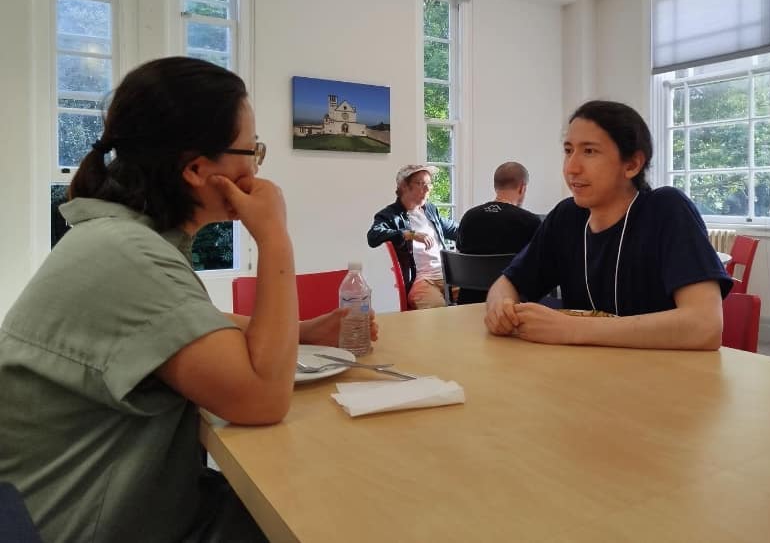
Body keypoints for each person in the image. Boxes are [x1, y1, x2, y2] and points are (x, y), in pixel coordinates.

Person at [0, 57, 373, 543]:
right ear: (198, 169)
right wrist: (275, 236)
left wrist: (301, 332)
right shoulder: (130, 257)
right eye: (252, 150)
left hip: (92, 503)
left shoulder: (118, 240)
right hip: (85, 522)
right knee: (330, 511)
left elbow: (188, 324)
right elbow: (262, 400)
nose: (257, 165)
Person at [484, 100, 732, 350]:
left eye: (589, 151)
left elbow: (705, 326)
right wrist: (500, 305)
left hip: (661, 378)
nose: (571, 167)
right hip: (587, 377)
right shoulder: (567, 217)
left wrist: (570, 328)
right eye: (569, 150)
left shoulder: (666, 209)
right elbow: (507, 283)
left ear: (632, 164)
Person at [367, 164, 458, 309]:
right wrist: (409, 234)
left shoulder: (430, 210)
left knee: (479, 294)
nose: (427, 189)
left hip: (446, 275)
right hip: (421, 281)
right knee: (438, 311)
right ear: (403, 186)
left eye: (429, 184)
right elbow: (373, 236)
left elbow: (455, 230)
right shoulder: (391, 215)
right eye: (421, 184)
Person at [455, 161, 542, 303]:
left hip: (469, 302)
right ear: (522, 188)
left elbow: (460, 254)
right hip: (512, 306)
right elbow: (538, 267)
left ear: (495, 186)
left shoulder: (469, 217)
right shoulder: (530, 221)